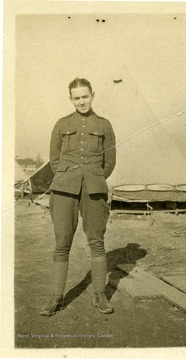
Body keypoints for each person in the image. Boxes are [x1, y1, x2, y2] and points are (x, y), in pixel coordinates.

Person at [40, 78, 116, 316]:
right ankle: (56, 297)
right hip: (64, 190)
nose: (82, 101)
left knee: (96, 241)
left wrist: (94, 178)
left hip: (94, 190)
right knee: (62, 243)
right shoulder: (62, 124)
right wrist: (69, 177)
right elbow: (54, 159)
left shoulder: (104, 125)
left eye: (85, 96)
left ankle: (99, 295)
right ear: (70, 99)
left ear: (93, 95)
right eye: (77, 98)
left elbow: (110, 162)